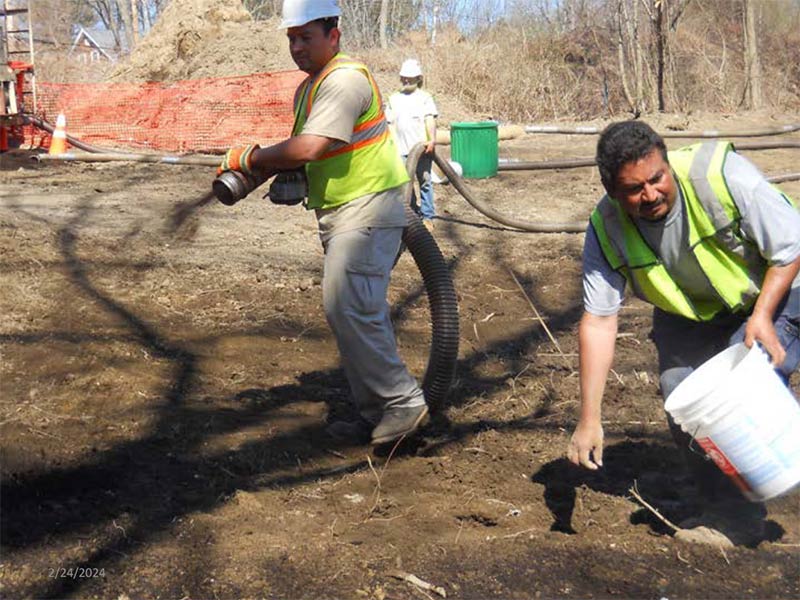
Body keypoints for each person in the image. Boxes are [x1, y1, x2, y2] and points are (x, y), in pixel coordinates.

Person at [567, 120, 800, 547]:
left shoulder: (720, 177)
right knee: (683, 399)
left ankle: (756, 491)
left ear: (667, 162)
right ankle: (729, 512)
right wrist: (590, 418)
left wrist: (763, 315)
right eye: (634, 189)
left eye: (657, 178)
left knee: (738, 390)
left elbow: (791, 247)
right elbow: (599, 320)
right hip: (692, 313)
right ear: (611, 189)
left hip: (780, 288)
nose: (651, 194)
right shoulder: (606, 229)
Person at [217, 0, 428, 446]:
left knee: (348, 306)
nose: (296, 47)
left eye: (305, 37)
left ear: (333, 35)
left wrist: (251, 157)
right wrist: (264, 170)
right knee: (352, 309)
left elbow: (309, 147)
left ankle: (403, 404)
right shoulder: (311, 87)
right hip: (342, 209)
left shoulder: (344, 81)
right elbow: (308, 152)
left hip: (368, 206)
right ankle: (378, 413)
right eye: (291, 38)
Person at [385, 58, 438, 231]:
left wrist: (432, 140)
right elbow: (390, 124)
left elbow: (429, 119)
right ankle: (412, 213)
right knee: (404, 183)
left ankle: (428, 216)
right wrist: (391, 146)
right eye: (404, 77)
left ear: (418, 78)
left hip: (421, 148)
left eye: (410, 77)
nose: (407, 80)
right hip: (400, 149)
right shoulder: (394, 99)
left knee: (425, 180)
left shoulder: (424, 98)